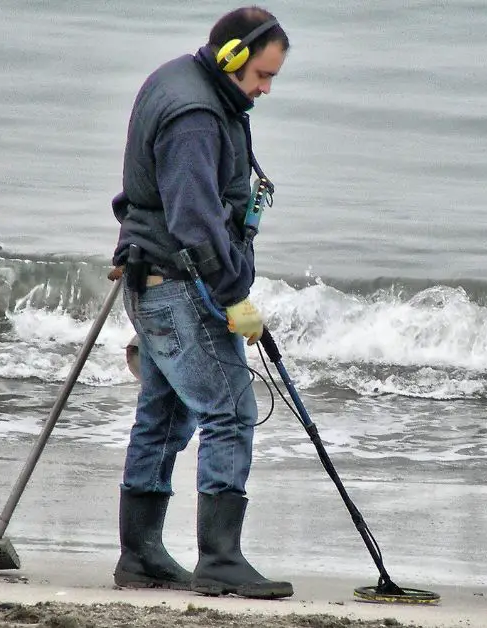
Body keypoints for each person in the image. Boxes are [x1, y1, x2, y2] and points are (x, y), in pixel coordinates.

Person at [107, 6, 292, 600]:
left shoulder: (184, 82)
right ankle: (220, 559)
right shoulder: (194, 113)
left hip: (155, 280)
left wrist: (131, 240)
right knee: (231, 412)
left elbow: (142, 190)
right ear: (233, 58)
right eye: (262, 75)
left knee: (162, 418)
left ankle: (141, 556)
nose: (265, 89)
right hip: (181, 286)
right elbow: (192, 218)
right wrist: (235, 297)